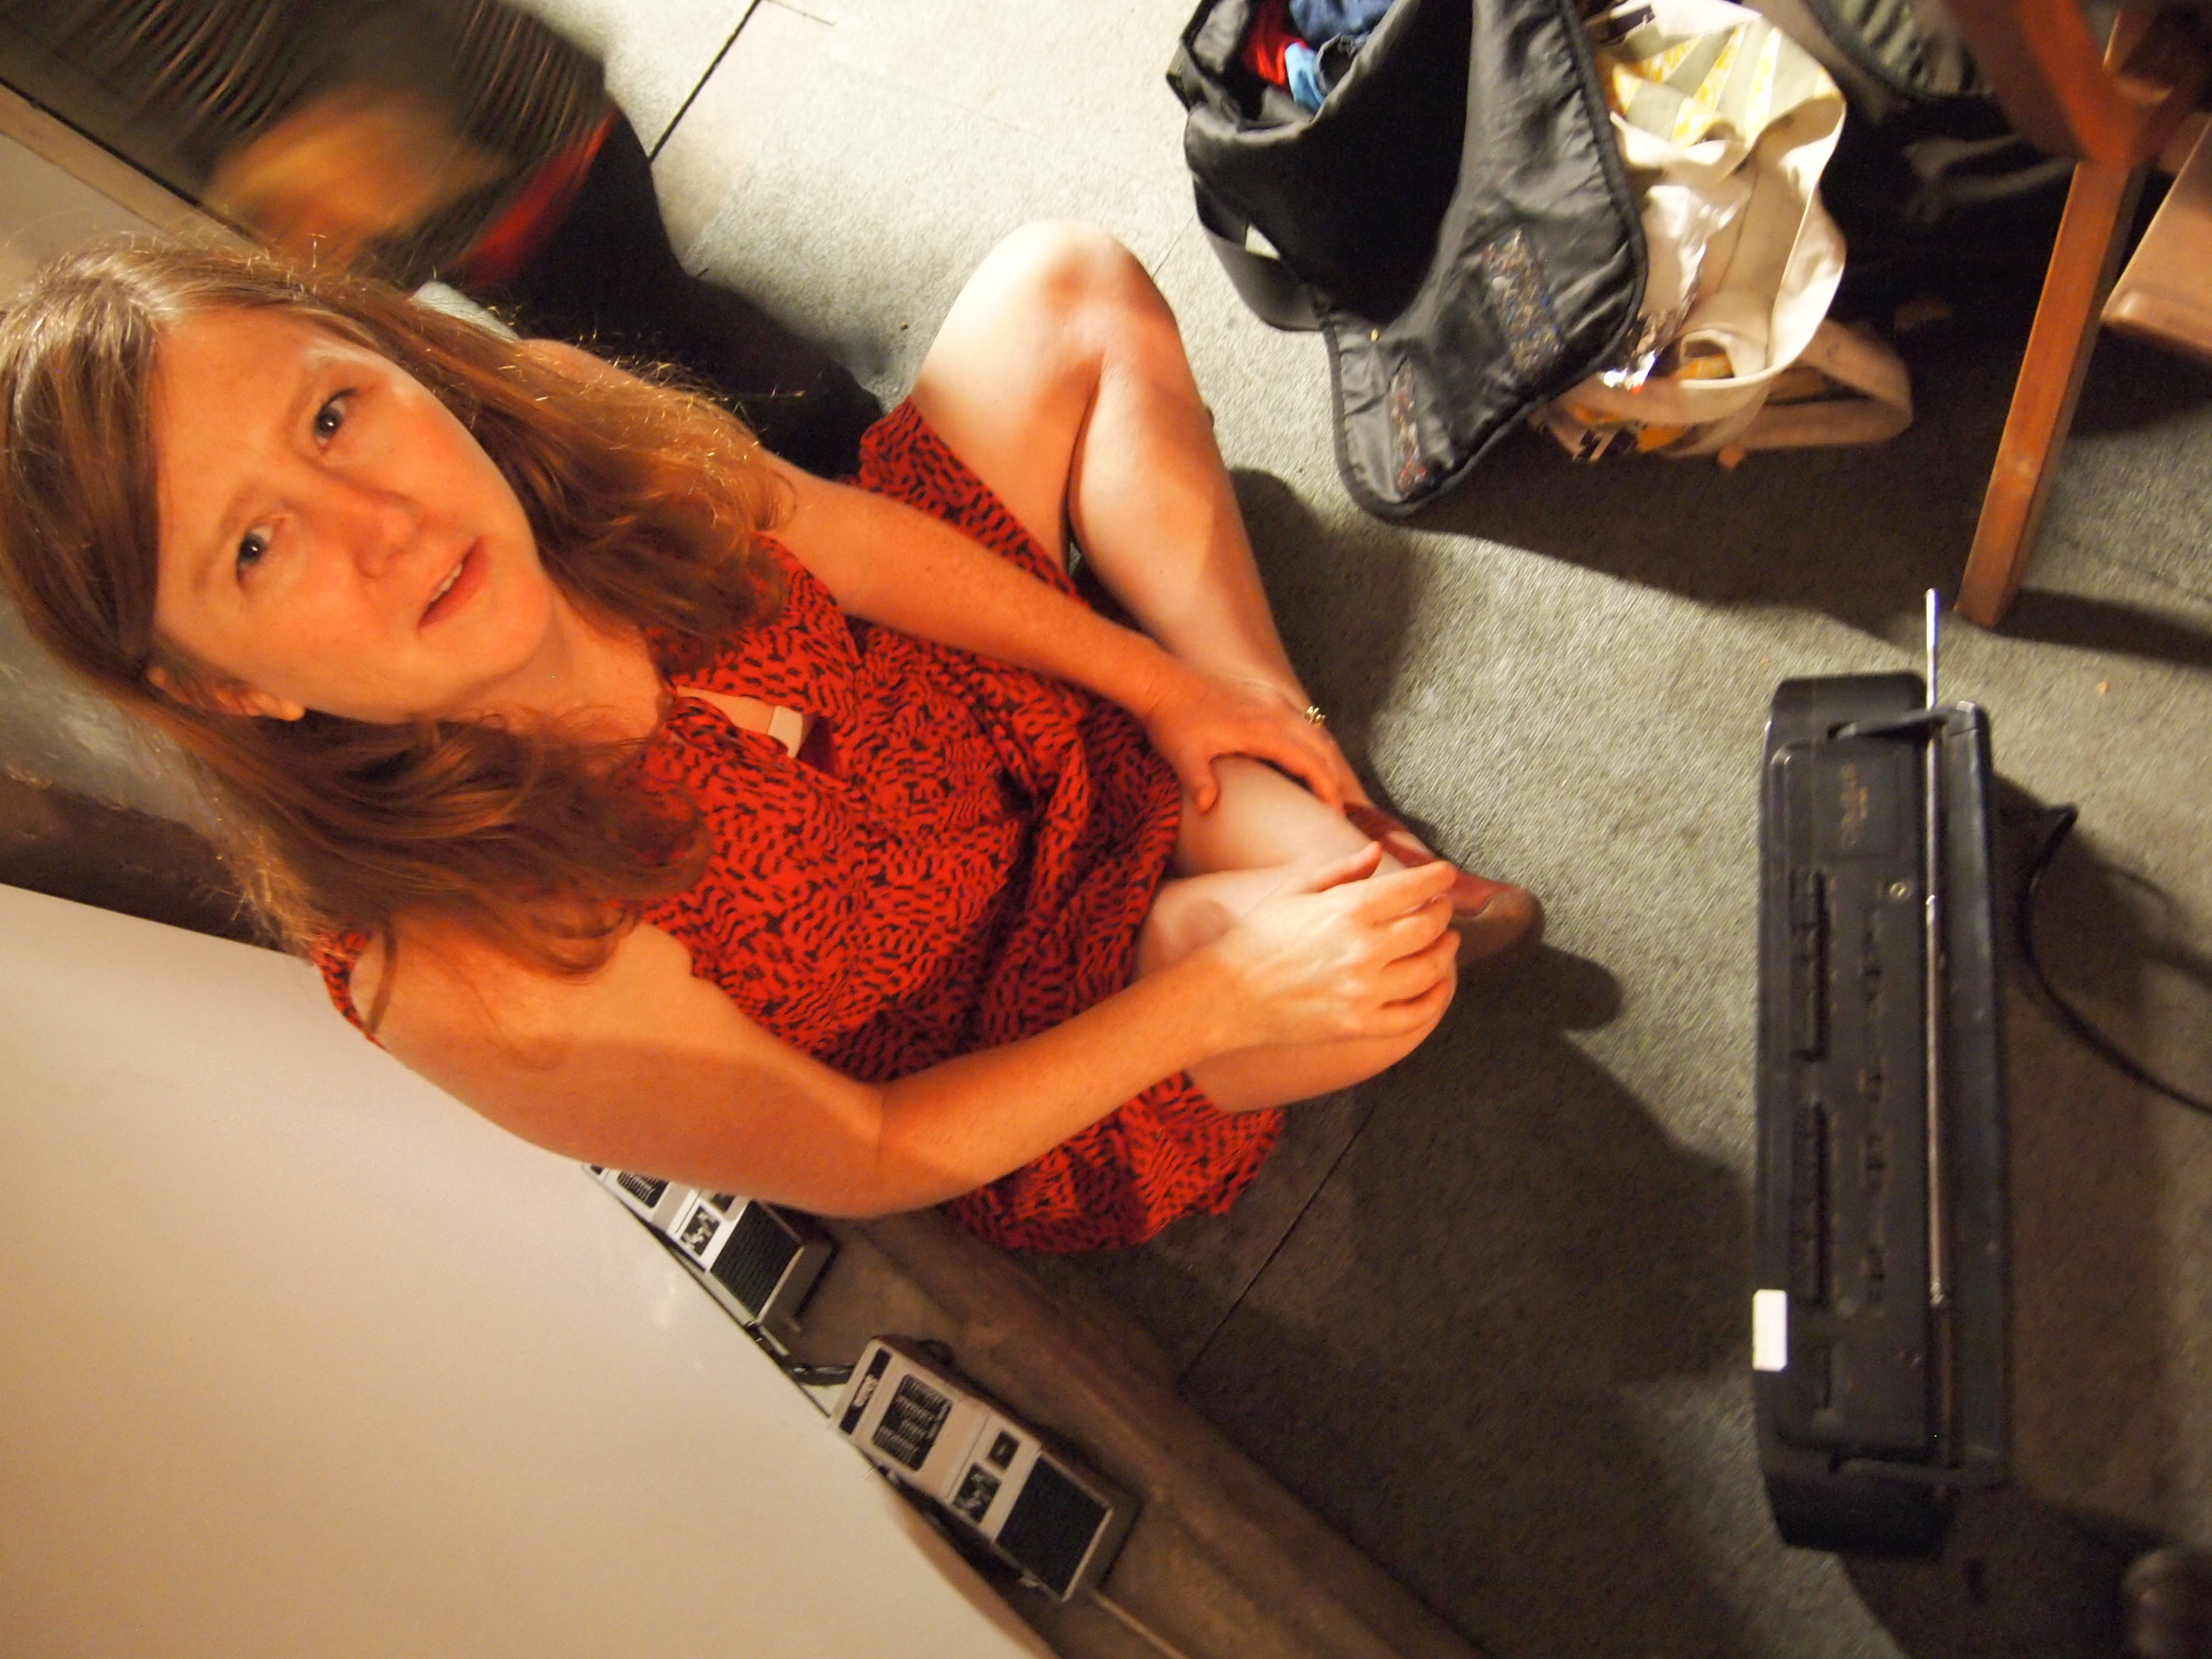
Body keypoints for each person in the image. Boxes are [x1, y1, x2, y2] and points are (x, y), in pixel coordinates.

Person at [0, 222, 1541, 1251]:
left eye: (334, 416)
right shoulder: (453, 960)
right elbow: (871, 1152)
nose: (382, 522)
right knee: (1376, 977)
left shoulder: (545, 413)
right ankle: (1253, 848)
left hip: (948, 706)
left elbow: (841, 537)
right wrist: (1210, 1001)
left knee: (1064, 282)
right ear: (228, 689)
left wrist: (1159, 683)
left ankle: (1256, 718)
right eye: (255, 548)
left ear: (389, 360)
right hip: (1017, 1012)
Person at [0, 0, 882, 474]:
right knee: (629, 335)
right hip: (426, 208)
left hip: (495, 132)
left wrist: (368, 118)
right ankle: (816, 430)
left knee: (667, 338)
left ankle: (861, 449)